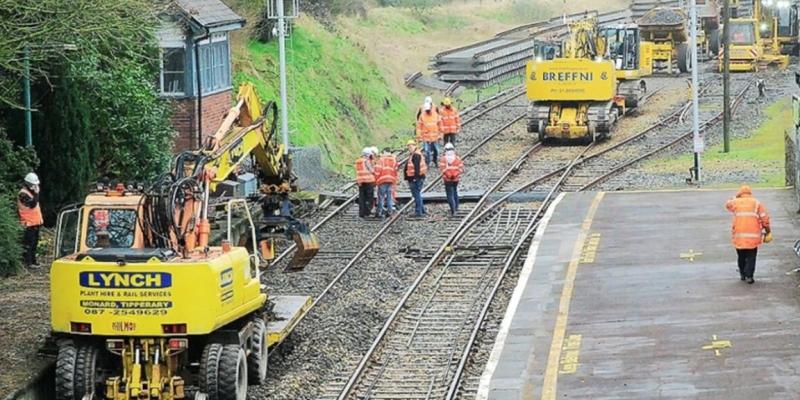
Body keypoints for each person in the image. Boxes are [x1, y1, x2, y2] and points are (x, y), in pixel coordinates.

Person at [725, 185, 771, 284]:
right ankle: (749, 276)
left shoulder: (735, 202)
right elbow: (764, 219)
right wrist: (768, 231)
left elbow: (727, 205)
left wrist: (735, 197)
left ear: (740, 193)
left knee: (741, 256)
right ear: (750, 193)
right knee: (751, 256)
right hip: (753, 236)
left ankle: (742, 273)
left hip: (739, 236)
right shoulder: (757, 203)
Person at [17, 172, 43, 268]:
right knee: (29, 244)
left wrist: (36, 194)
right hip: (28, 224)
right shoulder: (23, 194)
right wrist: (36, 193)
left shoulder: (31, 193)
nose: (35, 187)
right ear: (28, 184)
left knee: (34, 243)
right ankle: (28, 263)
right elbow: (32, 205)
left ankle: (33, 261)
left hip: (35, 223)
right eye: (33, 185)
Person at [439, 143, 464, 216]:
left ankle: (453, 210)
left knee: (450, 194)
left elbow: (442, 169)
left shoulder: (444, 159)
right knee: (455, 192)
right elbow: (461, 169)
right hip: (456, 179)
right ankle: (456, 207)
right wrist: (455, 175)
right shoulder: (457, 158)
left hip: (447, 179)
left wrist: (449, 175)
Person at [404, 140, 427, 217]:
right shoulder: (415, 154)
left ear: (415, 146)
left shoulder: (416, 155)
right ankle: (422, 210)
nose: (409, 148)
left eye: (411, 146)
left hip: (416, 178)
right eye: (408, 147)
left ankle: (418, 212)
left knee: (416, 195)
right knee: (418, 194)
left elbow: (417, 168)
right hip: (416, 177)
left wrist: (415, 178)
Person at [416, 102, 441, 167]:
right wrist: (419, 135)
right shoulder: (422, 116)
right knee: (427, 151)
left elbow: (440, 124)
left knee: (437, 151)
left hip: (435, 137)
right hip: (426, 137)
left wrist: (441, 134)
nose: (427, 111)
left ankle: (435, 160)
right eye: (426, 110)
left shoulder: (435, 115)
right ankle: (427, 163)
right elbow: (419, 127)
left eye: (428, 110)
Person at [375, 148, 398, 218]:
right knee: (389, 197)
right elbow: (396, 170)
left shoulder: (381, 160)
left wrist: (376, 179)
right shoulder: (394, 160)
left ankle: (379, 212)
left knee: (381, 197)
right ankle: (390, 212)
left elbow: (377, 170)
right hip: (391, 180)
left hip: (382, 180)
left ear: (384, 152)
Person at [355, 148, 377, 218]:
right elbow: (372, 170)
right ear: (368, 154)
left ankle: (361, 213)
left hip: (360, 181)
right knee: (369, 197)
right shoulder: (366, 161)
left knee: (362, 197)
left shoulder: (358, 161)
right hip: (368, 181)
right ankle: (368, 212)